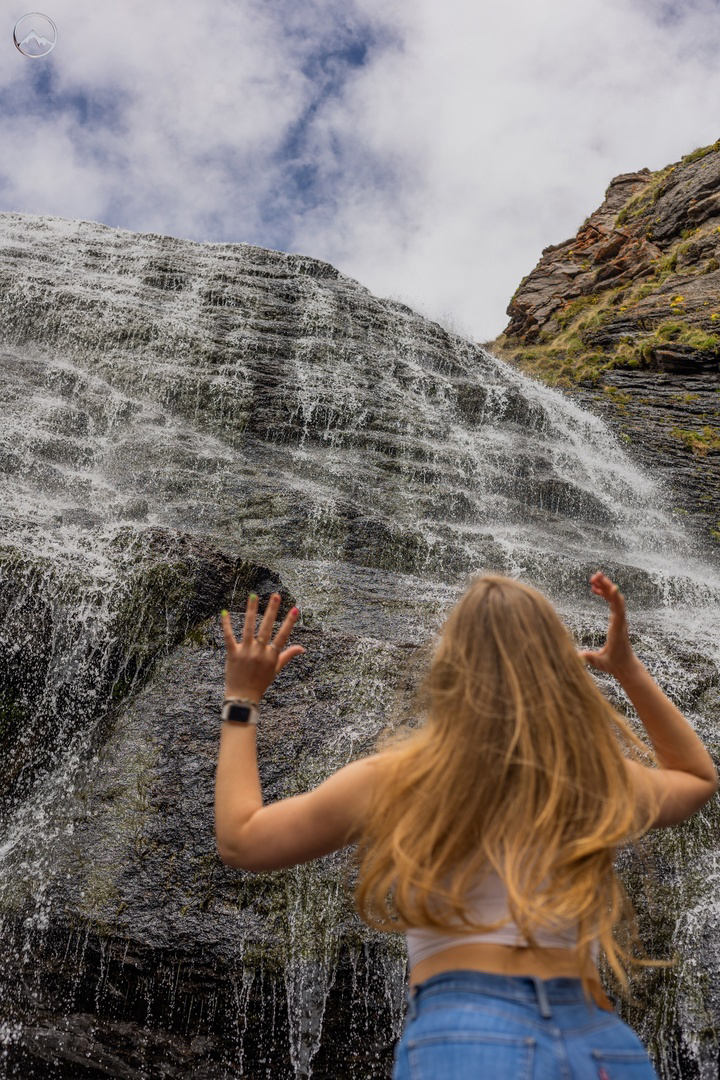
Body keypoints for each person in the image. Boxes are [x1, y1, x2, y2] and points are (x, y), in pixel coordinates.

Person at [214, 573, 717, 1079]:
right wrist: (627, 669)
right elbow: (697, 779)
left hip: (468, 1034)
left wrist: (242, 698)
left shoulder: (400, 777)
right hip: (598, 1039)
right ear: (558, 670)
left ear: (450, 668)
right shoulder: (591, 777)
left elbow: (242, 840)